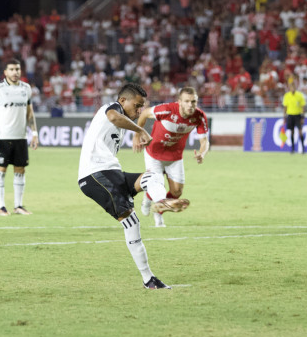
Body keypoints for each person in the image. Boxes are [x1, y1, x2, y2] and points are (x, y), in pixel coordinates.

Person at [78, 83, 190, 289]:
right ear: (122, 100)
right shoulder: (110, 109)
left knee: (152, 176)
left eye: (141, 107)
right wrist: (140, 129)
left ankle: (161, 201)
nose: (139, 111)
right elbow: (114, 117)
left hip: (112, 173)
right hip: (94, 175)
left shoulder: (120, 122)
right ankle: (148, 279)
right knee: (131, 222)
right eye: (137, 106)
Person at [132, 87, 210, 227]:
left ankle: (158, 209)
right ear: (179, 102)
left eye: (193, 102)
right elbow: (144, 113)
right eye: (187, 101)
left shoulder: (199, 116)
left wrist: (202, 153)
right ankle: (150, 202)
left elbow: (204, 141)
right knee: (158, 188)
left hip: (175, 157)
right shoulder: (166, 110)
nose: (190, 105)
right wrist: (137, 135)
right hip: (154, 154)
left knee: (177, 192)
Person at [0, 58, 39, 216]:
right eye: (12, 69)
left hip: (21, 137)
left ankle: (18, 206)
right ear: (5, 72)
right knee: (1, 170)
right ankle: (1, 207)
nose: (15, 72)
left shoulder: (26, 89)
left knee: (20, 170)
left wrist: (34, 133)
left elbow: (30, 113)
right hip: (3, 137)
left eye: (17, 69)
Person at [282, 76, 306, 154]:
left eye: (293, 86)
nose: (292, 88)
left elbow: (303, 107)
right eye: (291, 87)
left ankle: (303, 149)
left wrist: (302, 117)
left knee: (300, 132)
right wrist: (284, 117)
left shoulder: (299, 95)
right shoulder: (287, 96)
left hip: (298, 115)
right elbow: (285, 107)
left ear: (295, 87)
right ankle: (292, 149)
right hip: (290, 115)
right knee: (292, 132)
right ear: (289, 88)